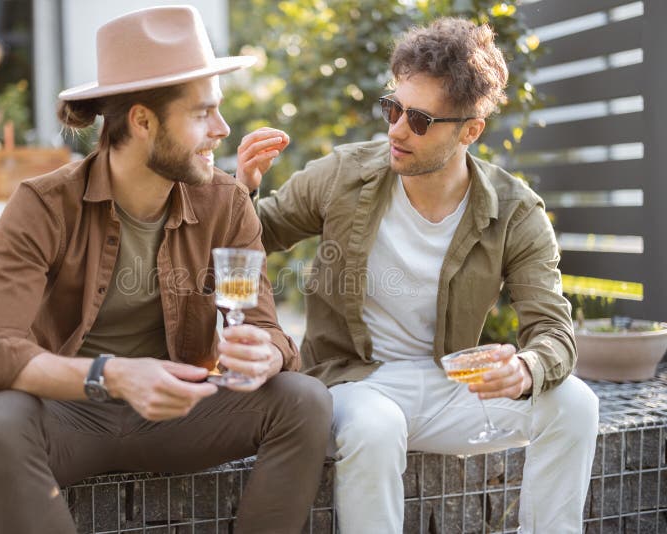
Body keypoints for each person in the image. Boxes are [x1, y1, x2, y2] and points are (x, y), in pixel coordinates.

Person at [0, 6, 331, 534]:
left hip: (183, 412)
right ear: (142, 120)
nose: (222, 130)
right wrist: (111, 375)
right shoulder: (43, 205)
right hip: (72, 414)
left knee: (304, 401)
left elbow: (269, 330)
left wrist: (264, 352)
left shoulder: (225, 203)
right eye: (203, 114)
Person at [236, 17, 599, 533]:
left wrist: (526, 368)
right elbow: (259, 232)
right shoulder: (344, 173)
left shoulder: (515, 211)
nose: (396, 129)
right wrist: (242, 187)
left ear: (470, 131)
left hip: (452, 387)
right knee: (377, 428)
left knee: (576, 405)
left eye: (421, 120)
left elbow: (553, 332)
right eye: (393, 108)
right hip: (355, 385)